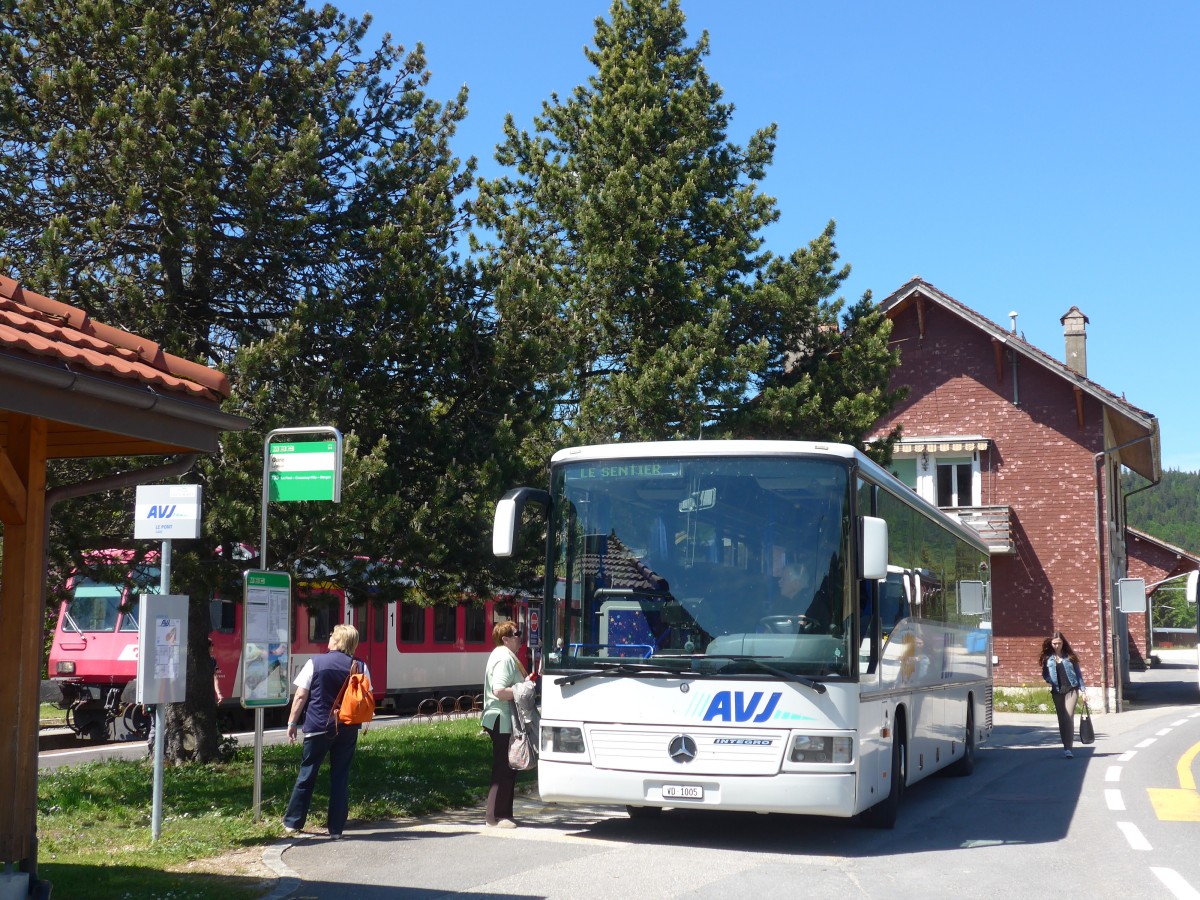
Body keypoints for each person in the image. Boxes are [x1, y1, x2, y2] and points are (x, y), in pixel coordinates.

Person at [282, 624, 370, 838]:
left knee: (307, 774)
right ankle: (336, 829)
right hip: (348, 728)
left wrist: (292, 723)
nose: (329, 638)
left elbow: (301, 696)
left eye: (332, 636)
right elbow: (366, 698)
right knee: (340, 777)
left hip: (318, 727)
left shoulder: (316, 662)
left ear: (338, 640)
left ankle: (293, 822)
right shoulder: (360, 666)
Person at [480, 621, 534, 828]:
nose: (520, 637)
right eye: (516, 634)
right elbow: (499, 690)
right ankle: (495, 817)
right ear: (505, 639)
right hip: (502, 718)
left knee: (508, 766)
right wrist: (524, 690)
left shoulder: (503, 655)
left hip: (501, 718)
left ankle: (503, 814)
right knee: (504, 767)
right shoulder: (504, 658)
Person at [1040, 631, 1087, 758]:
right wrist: (1049, 680)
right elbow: (1044, 674)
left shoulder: (1070, 657)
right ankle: (1066, 747)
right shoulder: (1048, 659)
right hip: (1057, 691)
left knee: (1068, 716)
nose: (1057, 646)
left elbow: (1078, 674)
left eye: (1059, 643)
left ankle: (1069, 748)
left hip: (1072, 688)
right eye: (1054, 643)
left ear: (1063, 643)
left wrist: (1083, 691)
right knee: (1061, 720)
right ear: (1051, 644)